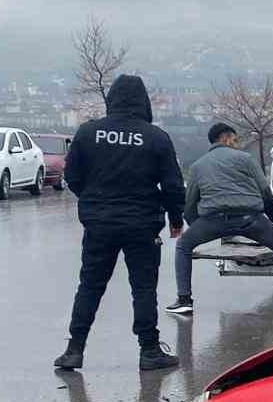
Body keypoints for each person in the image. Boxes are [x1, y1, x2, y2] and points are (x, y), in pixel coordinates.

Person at [54, 75, 186, 372]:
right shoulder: (155, 137)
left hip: (98, 224)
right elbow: (172, 185)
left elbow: (72, 177)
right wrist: (176, 217)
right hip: (142, 224)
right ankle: (149, 351)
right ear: (144, 101)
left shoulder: (88, 133)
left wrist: (91, 202)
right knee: (143, 287)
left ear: (110, 99)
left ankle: (74, 350)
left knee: (89, 285)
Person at [166, 124, 273, 316]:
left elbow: (189, 203)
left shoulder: (198, 166)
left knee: (183, 245)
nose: (237, 143)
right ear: (224, 137)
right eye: (235, 139)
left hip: (214, 220)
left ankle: (184, 301)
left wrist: (197, 226)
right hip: (251, 219)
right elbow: (265, 193)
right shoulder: (246, 159)